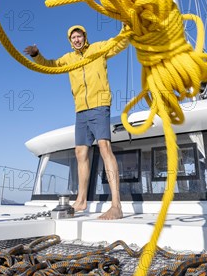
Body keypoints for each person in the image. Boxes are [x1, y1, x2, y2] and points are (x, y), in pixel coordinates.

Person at [24, 25, 129, 220]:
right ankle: (81, 200)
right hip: (80, 110)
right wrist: (37, 55)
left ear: (84, 37)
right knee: (80, 152)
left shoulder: (97, 49)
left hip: (99, 105)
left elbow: (119, 43)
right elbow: (50, 65)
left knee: (105, 147)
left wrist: (127, 27)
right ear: (70, 41)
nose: (77, 40)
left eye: (79, 36)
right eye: (73, 37)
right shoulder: (68, 59)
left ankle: (116, 205)